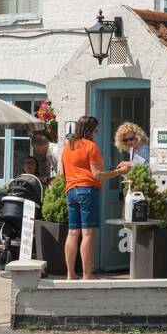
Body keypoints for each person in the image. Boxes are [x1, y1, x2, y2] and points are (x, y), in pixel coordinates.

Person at [59, 115, 118, 281]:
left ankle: (70, 274)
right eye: (96, 129)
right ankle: (87, 274)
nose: (97, 132)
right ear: (90, 130)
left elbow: (62, 173)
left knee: (72, 233)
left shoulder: (67, 147)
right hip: (87, 191)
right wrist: (119, 172)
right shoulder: (91, 147)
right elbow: (97, 175)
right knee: (87, 234)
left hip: (71, 191)